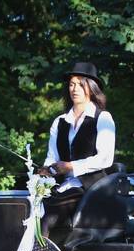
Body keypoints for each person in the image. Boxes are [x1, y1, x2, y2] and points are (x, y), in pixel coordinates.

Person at [38, 62, 117, 240]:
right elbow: (52, 158)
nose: (75, 89)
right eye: (72, 84)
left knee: (47, 217)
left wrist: (70, 166)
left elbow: (105, 158)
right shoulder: (59, 122)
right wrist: (46, 171)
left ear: (91, 87)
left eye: (80, 84)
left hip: (89, 189)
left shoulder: (103, 118)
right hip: (61, 187)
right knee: (29, 209)